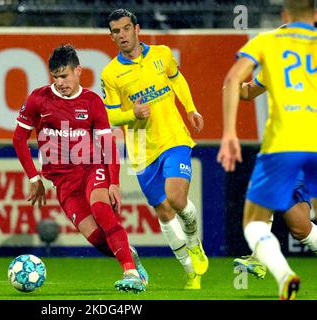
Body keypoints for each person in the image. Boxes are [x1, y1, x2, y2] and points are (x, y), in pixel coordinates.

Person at [13, 44, 148, 293]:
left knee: (101, 209)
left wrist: (114, 182)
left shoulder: (92, 102)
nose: (60, 82)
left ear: (78, 72)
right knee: (95, 237)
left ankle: (130, 272)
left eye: (64, 76)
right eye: (55, 77)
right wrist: (34, 178)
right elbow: (19, 139)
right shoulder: (38, 99)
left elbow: (108, 143)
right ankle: (130, 255)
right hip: (63, 181)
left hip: (90, 168)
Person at [100, 8, 208, 290]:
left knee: (176, 198)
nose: (121, 35)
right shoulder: (111, 74)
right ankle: (190, 271)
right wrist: (131, 114)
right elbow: (110, 115)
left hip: (173, 138)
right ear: (111, 36)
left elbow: (176, 79)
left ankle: (195, 244)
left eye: (125, 28)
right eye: (115, 31)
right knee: (163, 211)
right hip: (139, 149)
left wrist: (191, 108)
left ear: (137, 29)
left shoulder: (162, 54)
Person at [217, 0, 317, 300]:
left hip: (284, 145)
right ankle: (263, 261)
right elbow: (248, 89)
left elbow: (236, 80)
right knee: (300, 227)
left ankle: (282, 273)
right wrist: (238, 90)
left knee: (253, 223)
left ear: (284, 15)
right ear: (314, 15)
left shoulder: (269, 42)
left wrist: (230, 131)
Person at [234, 70, 317, 279]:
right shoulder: (275, 57)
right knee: (301, 228)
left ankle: (259, 256)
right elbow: (248, 92)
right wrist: (234, 87)